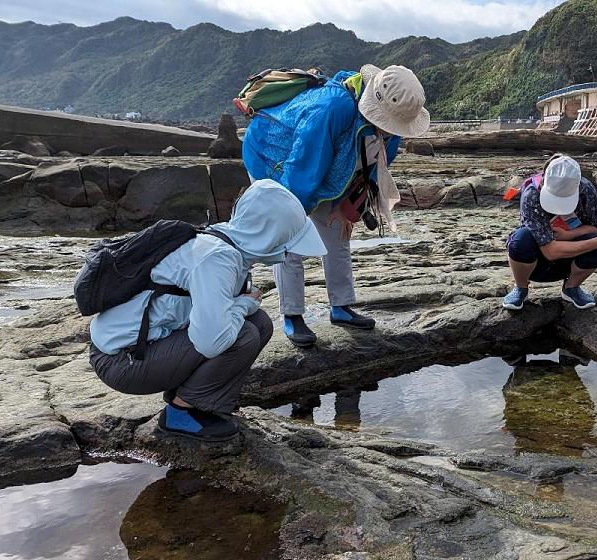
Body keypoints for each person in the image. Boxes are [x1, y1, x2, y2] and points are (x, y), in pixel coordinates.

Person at [89, 180, 326, 441]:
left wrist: (242, 306)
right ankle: (180, 414)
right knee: (244, 334)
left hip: (139, 346)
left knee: (260, 324)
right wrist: (244, 303)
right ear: (270, 234)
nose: (289, 251)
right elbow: (213, 342)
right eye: (286, 240)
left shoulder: (223, 239)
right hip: (121, 360)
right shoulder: (217, 258)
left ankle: (201, 401)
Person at [243, 64, 430, 346]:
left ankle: (340, 307)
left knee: (338, 233)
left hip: (328, 168)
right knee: (289, 239)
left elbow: (373, 168)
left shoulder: (394, 122)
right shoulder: (331, 108)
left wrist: (350, 206)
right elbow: (302, 169)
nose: (392, 132)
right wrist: (293, 216)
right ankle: (292, 314)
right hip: (274, 157)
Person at [502, 154, 597, 311]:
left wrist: (569, 235)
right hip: (536, 261)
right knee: (520, 240)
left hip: (569, 259)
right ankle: (521, 288)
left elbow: (593, 225)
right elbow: (550, 252)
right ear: (545, 180)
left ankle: (571, 288)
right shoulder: (532, 194)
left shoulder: (586, 189)